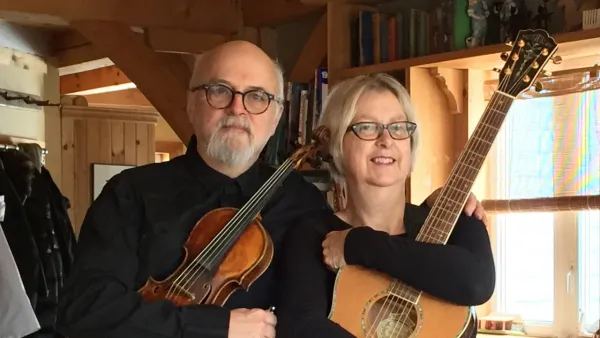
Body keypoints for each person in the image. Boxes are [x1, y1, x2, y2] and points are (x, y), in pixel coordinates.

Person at [55, 41, 487, 338]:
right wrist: (215, 328)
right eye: (219, 91)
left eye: (258, 96)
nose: (238, 109)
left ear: (278, 114)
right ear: (191, 103)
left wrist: (439, 207)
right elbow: (83, 312)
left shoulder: (301, 206)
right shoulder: (130, 195)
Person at [275, 73, 496, 338]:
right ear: (337, 145)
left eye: (399, 127)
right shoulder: (312, 233)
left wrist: (358, 244)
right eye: (367, 127)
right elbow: (301, 327)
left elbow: (477, 284)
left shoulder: (452, 217)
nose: (386, 140)